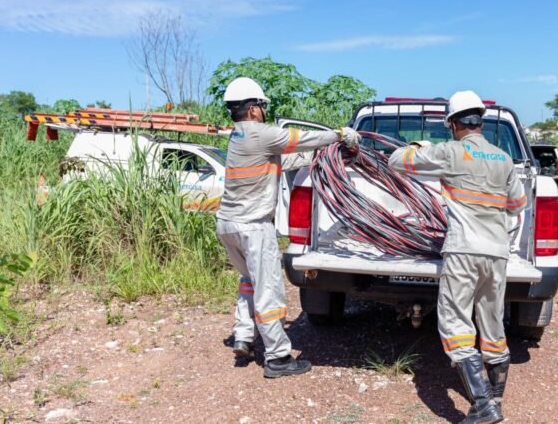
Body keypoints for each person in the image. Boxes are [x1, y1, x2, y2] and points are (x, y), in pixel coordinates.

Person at [389, 91, 527, 424]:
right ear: (480, 120)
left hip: (463, 249)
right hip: (497, 253)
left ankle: (483, 406)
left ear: (452, 124)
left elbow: (396, 161)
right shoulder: (503, 159)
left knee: (455, 324)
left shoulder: (450, 152)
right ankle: (495, 399)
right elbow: (517, 205)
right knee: (492, 322)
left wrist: (419, 146)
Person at [216, 77, 361, 378]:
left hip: (228, 225)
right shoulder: (261, 133)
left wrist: (316, 155)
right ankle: (278, 357)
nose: (264, 111)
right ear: (253, 108)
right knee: (268, 289)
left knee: (249, 280)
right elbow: (303, 138)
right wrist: (339, 135)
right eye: (262, 106)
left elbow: (280, 157)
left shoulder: (238, 136)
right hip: (253, 227)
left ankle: (243, 335)